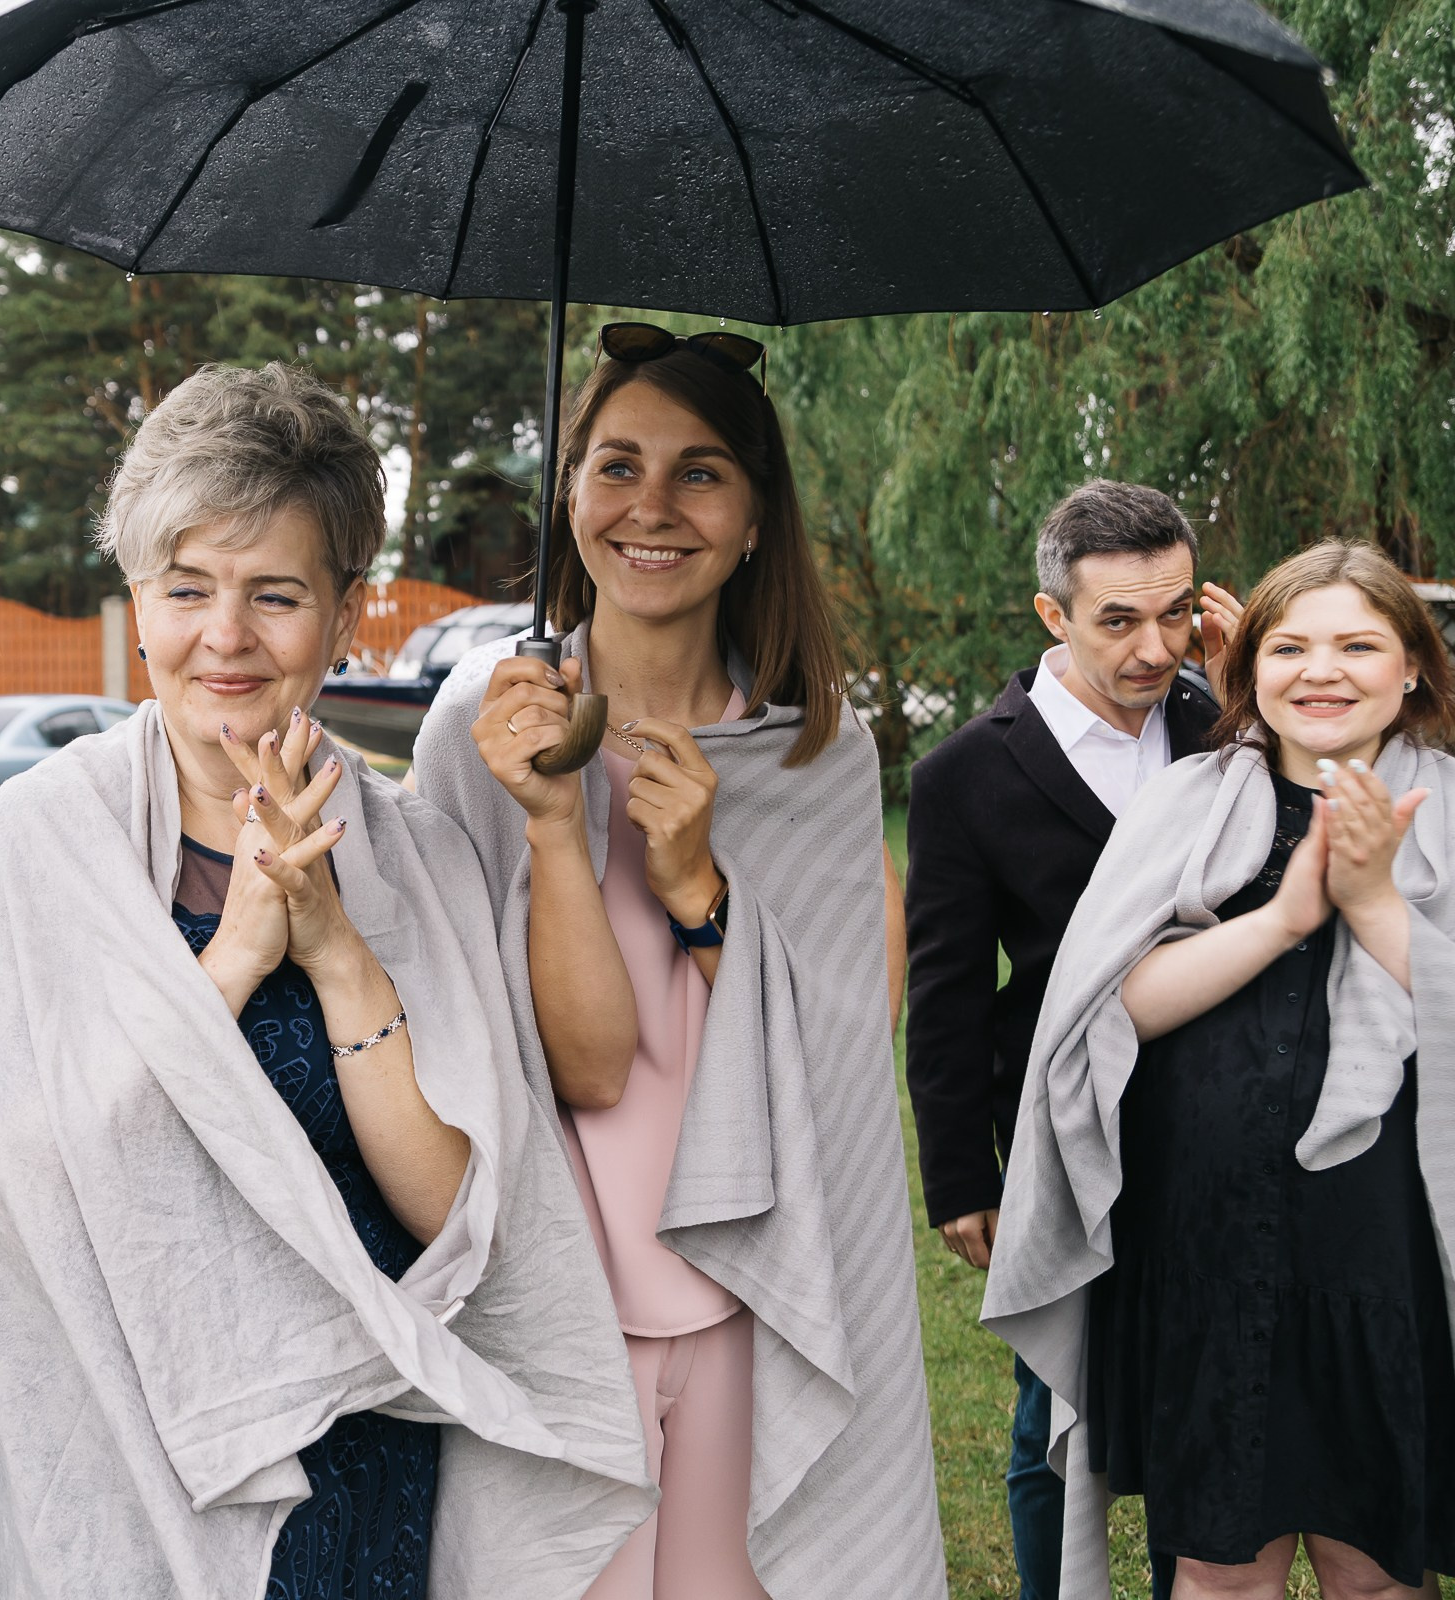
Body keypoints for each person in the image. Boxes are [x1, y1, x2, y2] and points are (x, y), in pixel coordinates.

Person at [0, 363, 652, 1600]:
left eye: (275, 594)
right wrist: (238, 951)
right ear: (137, 603)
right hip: (134, 1437)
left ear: (343, 612)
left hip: (361, 1446)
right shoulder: (49, 837)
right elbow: (29, 1177)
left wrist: (333, 949)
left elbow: (457, 1210)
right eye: (187, 589)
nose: (226, 636)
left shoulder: (416, 853)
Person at [412, 323, 944, 1600]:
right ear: (572, 497)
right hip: (550, 1286)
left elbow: (838, 1060)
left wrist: (701, 888)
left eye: (700, 472)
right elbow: (560, 1066)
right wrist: (556, 821)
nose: (651, 507)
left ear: (756, 515)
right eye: (616, 466)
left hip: (748, 1284)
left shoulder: (813, 753)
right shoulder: (475, 732)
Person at [987, 540, 1455, 1599]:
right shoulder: (1183, 804)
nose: (1320, 670)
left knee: (1372, 1567)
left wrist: (1376, 905)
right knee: (1216, 1568)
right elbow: (1105, 1011)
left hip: (1388, 1263)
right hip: (1204, 1248)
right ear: (1249, 669)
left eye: (1358, 644)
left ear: (1412, 665)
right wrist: (1288, 915)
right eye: (1289, 645)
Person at [903, 479, 1234, 1600]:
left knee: (1202, 1386)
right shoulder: (965, 774)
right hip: (1063, 1131)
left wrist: (1245, 701)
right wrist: (959, 1175)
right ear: (1053, 616)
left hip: (1224, 1115)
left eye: (1178, 612)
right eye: (1121, 620)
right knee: (1057, 1400)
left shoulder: (1218, 721)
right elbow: (945, 990)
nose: (1158, 646)